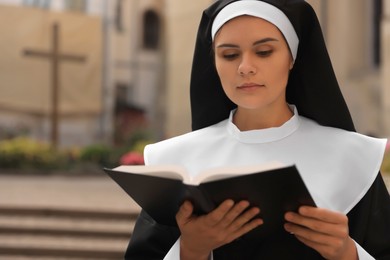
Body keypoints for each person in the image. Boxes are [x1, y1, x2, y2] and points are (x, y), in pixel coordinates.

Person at [125, 0, 390, 259]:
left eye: (263, 52)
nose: (245, 68)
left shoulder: (352, 158)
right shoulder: (178, 161)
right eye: (229, 55)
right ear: (214, 63)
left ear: (292, 58)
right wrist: (191, 250)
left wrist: (346, 253)